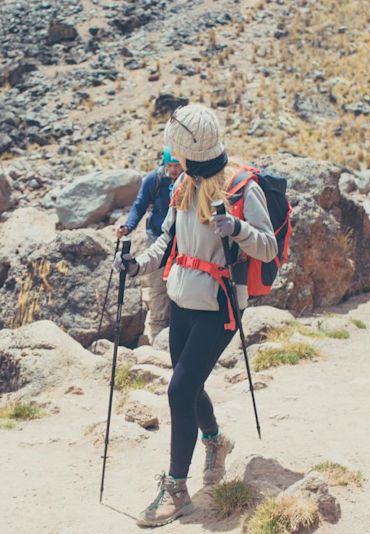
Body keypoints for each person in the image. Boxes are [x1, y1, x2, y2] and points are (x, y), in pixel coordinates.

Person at [113, 104, 278, 527]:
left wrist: (236, 229)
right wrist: (137, 266)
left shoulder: (240, 188)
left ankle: (176, 489)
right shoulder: (184, 185)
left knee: (178, 389)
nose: (173, 160)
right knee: (188, 383)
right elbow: (166, 241)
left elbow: (268, 247)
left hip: (221, 305)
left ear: (188, 152)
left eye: (176, 152)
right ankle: (215, 441)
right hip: (184, 299)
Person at [117, 148, 183, 343]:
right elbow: (139, 206)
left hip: (183, 240)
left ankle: (178, 327)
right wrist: (127, 227)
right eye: (169, 166)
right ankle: (158, 330)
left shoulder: (189, 181)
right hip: (158, 238)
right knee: (158, 285)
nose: (173, 170)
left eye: (176, 165)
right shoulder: (154, 180)